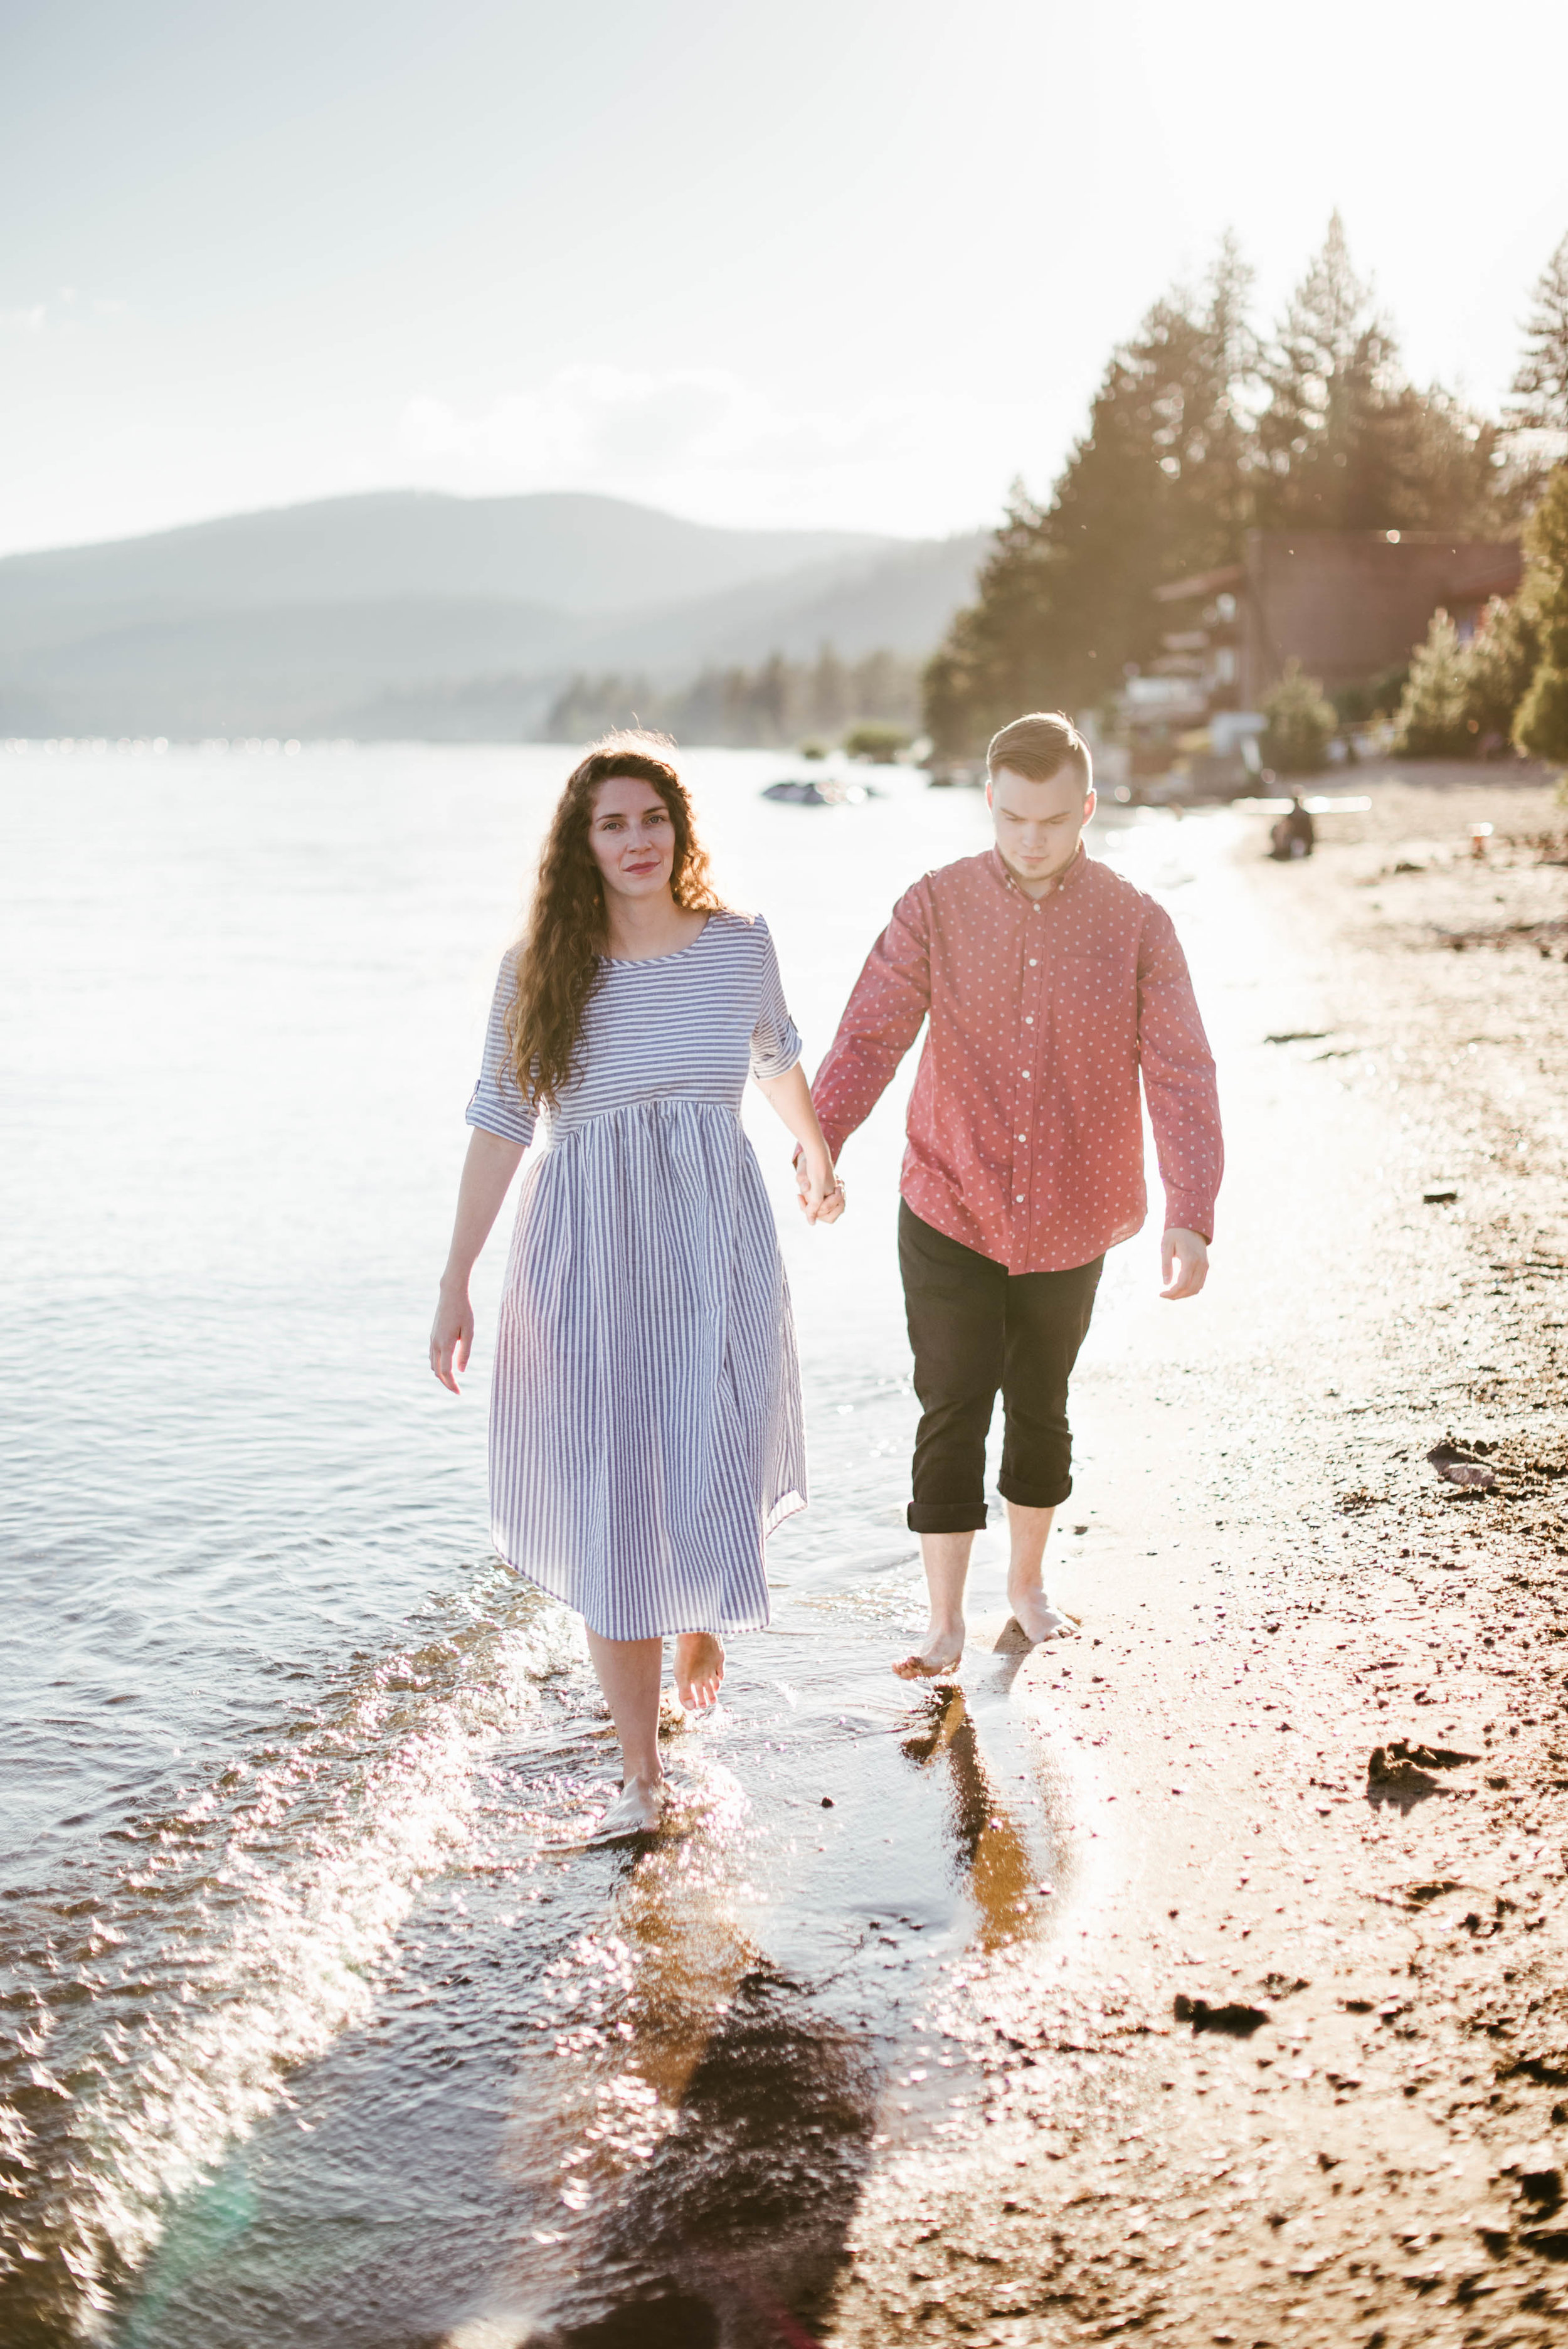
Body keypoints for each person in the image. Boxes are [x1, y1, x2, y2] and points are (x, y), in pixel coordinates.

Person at [430, 733, 842, 1838]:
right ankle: (641, 1777)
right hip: (590, 1249)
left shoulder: (739, 943)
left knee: (717, 1438)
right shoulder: (540, 969)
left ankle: (698, 1607)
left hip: (717, 1238)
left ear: (681, 827)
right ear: (582, 842)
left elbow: (777, 1051)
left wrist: (815, 1151)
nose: (636, 841)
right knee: (614, 1489)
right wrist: (456, 1278)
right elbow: (500, 1123)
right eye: (611, 824)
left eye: (651, 819)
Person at [805, 711, 1222, 1678]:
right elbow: (870, 1034)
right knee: (951, 1400)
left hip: (1075, 1209)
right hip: (949, 1193)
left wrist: (1190, 1212)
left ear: (1087, 808)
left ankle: (1026, 1588)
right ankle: (943, 1620)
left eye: (1054, 820)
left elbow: (1183, 1072)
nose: (1033, 840)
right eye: (1015, 817)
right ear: (989, 800)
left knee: (1041, 1399)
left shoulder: (1135, 923)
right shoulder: (935, 906)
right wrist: (822, 1145)